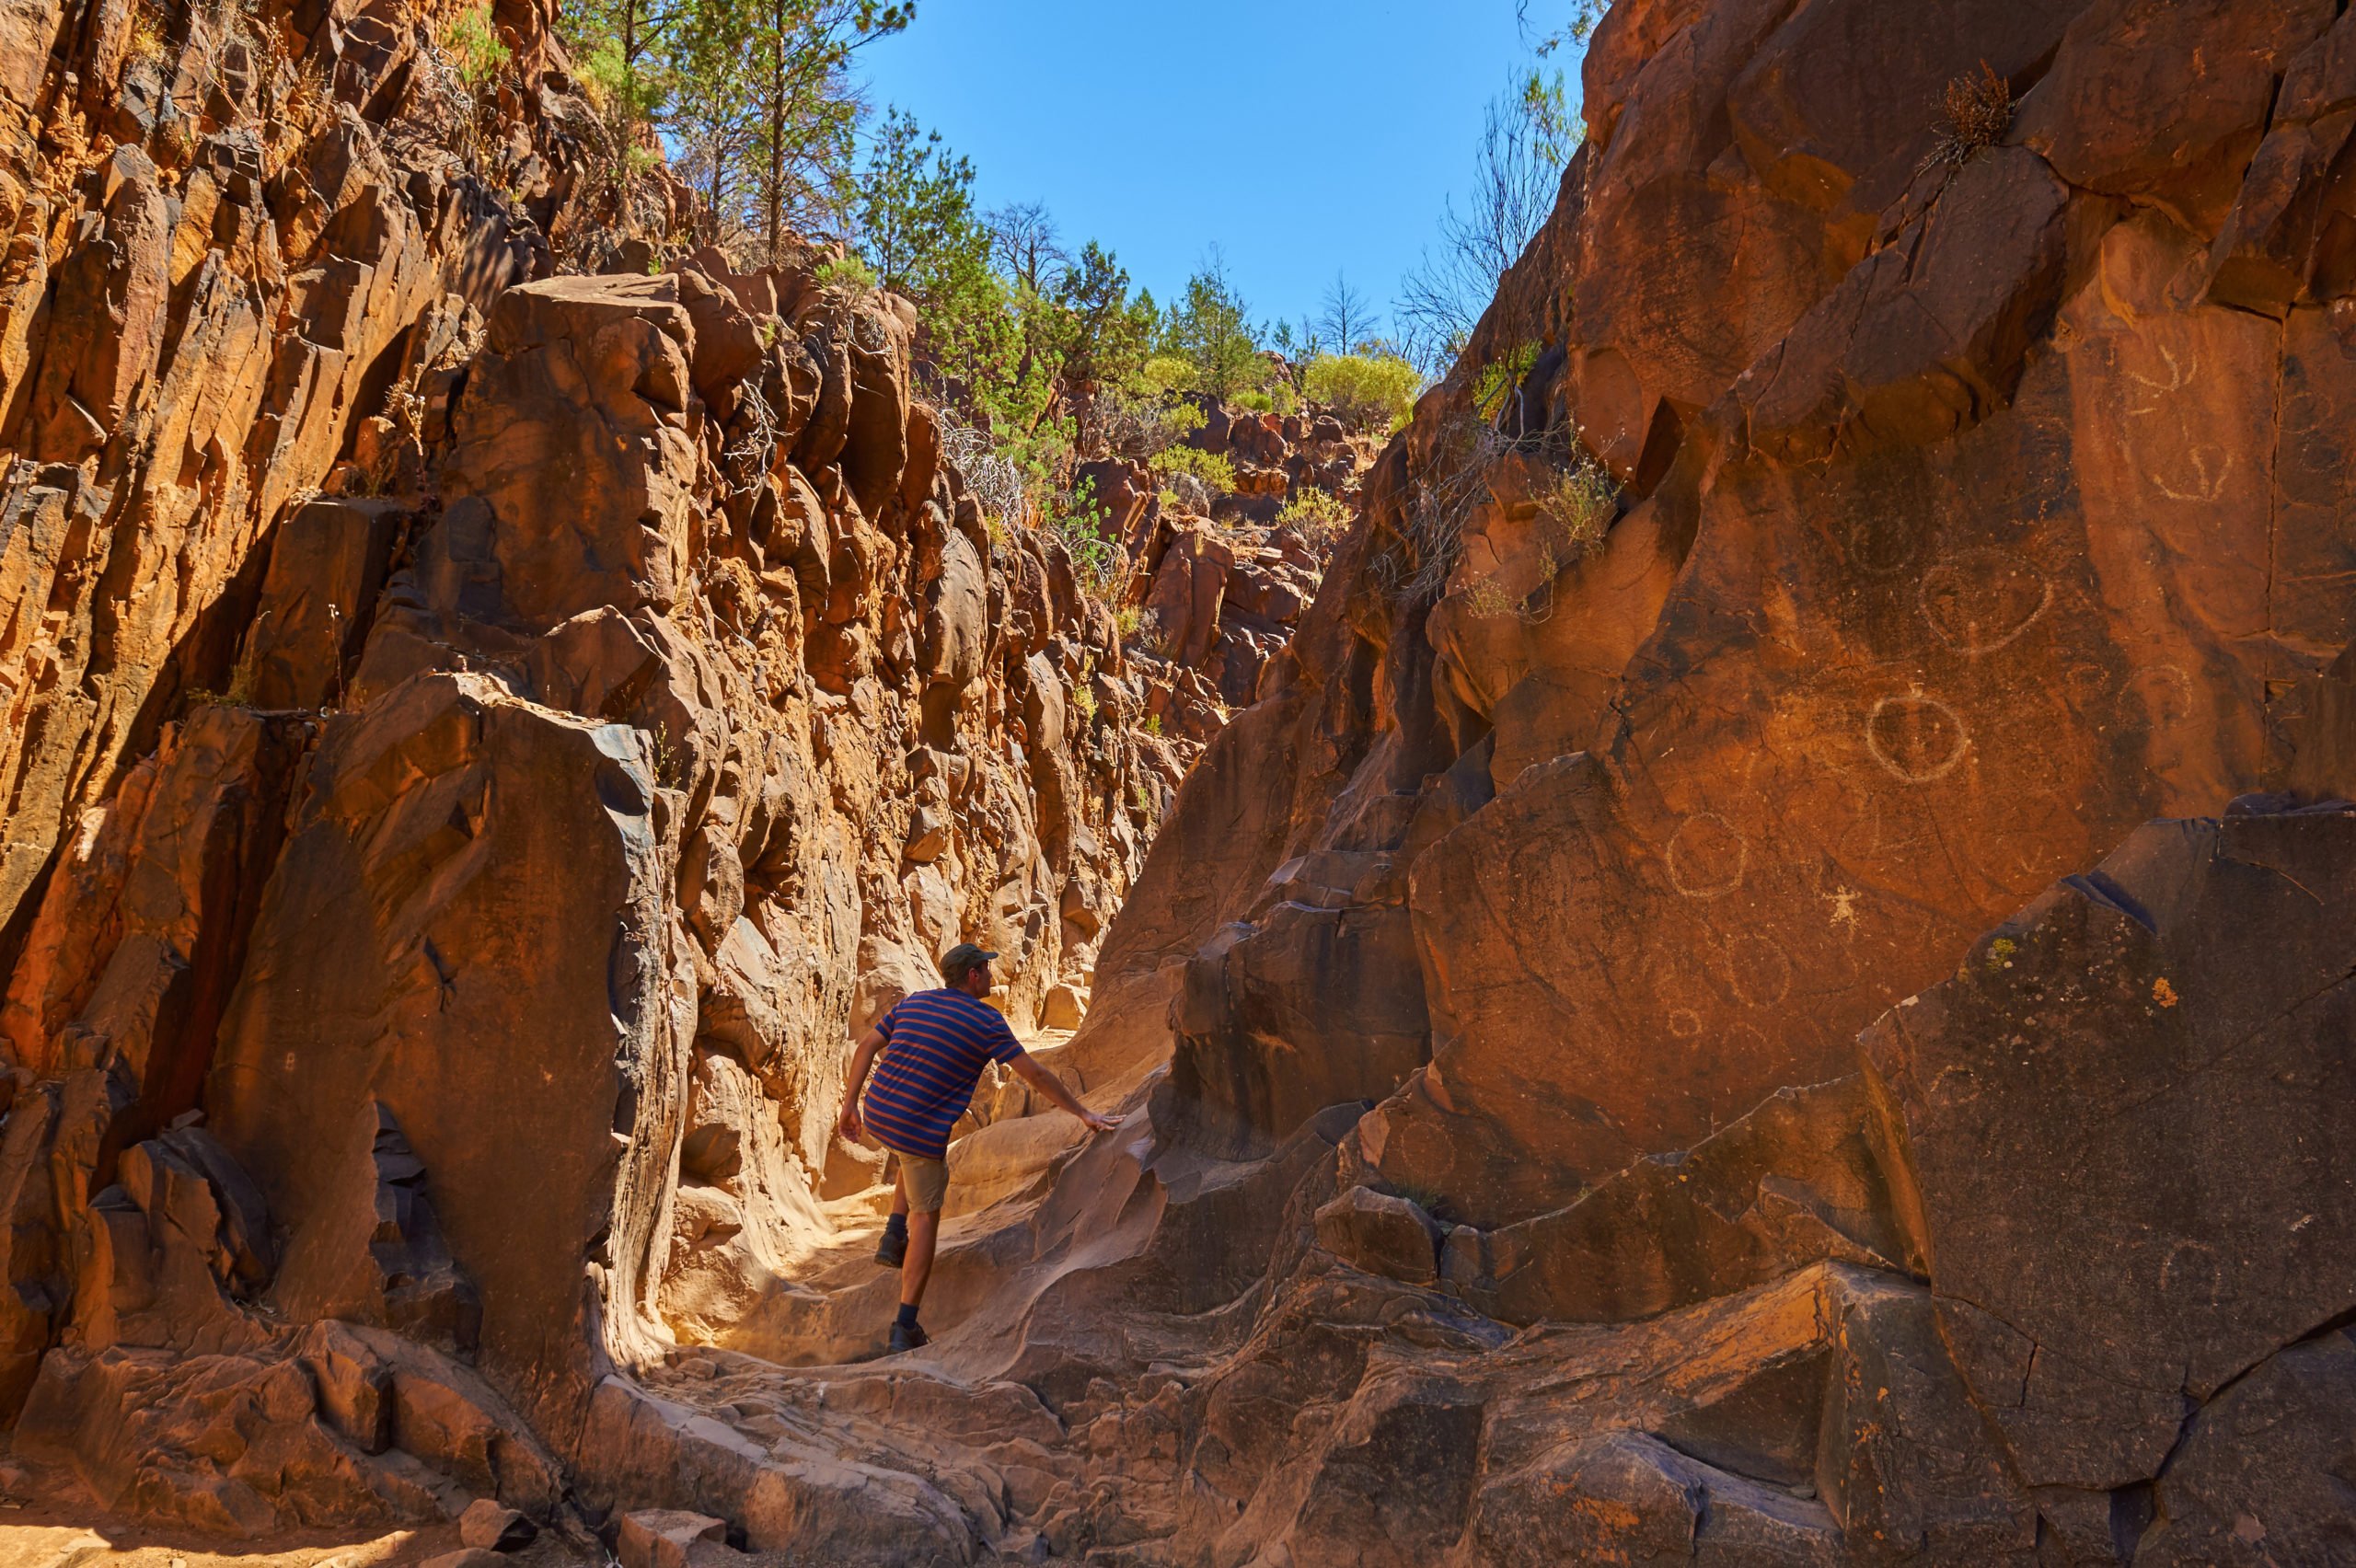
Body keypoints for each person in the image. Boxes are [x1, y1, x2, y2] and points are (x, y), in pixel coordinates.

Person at [836, 942, 1118, 1354]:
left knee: (917, 1158)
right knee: (927, 1212)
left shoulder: (915, 1003)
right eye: (986, 969)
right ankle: (905, 1325)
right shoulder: (986, 1020)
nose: (991, 975)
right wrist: (1082, 1113)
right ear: (972, 976)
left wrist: (849, 1105)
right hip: (915, 1128)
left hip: (878, 1112)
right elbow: (1034, 1075)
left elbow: (865, 1048)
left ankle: (892, 1235)